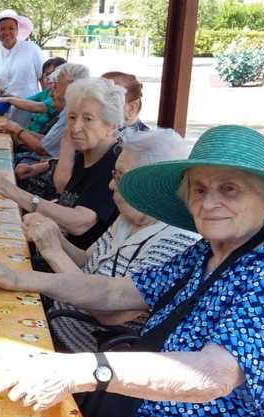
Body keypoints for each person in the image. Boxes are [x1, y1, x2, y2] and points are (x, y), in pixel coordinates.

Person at [0, 125, 264, 417]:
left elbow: (214, 374)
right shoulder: (207, 251)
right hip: (138, 405)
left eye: (229, 190)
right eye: (199, 190)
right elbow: (117, 292)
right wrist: (21, 279)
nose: (209, 203)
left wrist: (82, 370)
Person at [22, 129, 201, 352]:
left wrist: (54, 252)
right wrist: (54, 237)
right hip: (53, 319)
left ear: (151, 183)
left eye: (119, 177)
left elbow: (110, 313)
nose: (110, 185)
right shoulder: (129, 217)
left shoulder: (177, 241)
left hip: (82, 350)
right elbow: (88, 260)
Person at [0, 77, 124, 250]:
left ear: (111, 125)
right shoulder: (85, 156)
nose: (76, 127)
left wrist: (11, 190)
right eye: (72, 117)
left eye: (88, 119)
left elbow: (79, 223)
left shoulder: (115, 164)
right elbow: (67, 197)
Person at [0, 63, 90, 162]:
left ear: (71, 85)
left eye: (57, 84)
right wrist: (16, 130)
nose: (52, 90)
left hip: (42, 164)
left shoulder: (72, 114)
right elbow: (47, 141)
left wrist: (17, 130)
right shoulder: (68, 109)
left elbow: (43, 149)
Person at [0, 9, 45, 127]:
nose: (7, 32)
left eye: (11, 28)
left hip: (31, 109)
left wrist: (47, 107)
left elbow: (44, 79)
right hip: (4, 111)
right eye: (2, 29)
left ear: (17, 30)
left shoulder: (32, 50)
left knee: (28, 141)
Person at [0, 56, 66, 133]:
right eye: (45, 74)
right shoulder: (46, 92)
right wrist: (8, 95)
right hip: (31, 133)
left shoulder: (60, 96)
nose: (48, 78)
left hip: (37, 138)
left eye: (52, 74)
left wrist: (9, 99)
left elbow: (36, 106)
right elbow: (25, 101)